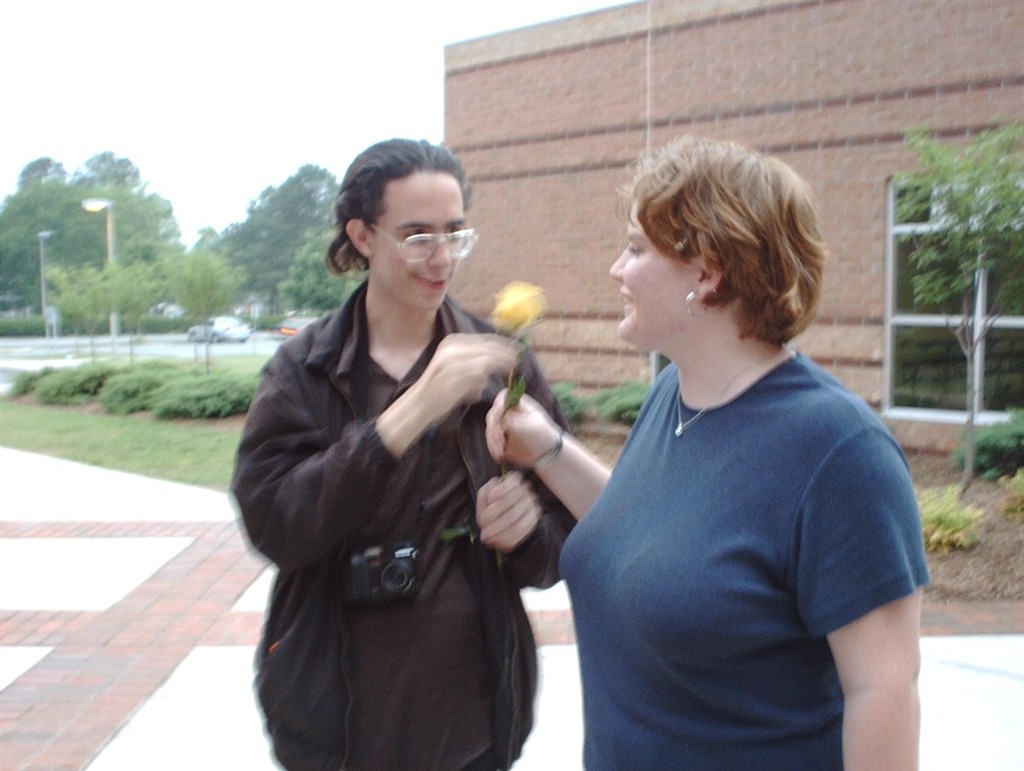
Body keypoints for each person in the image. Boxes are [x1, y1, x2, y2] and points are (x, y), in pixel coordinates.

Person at [486, 135, 930, 770]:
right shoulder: (674, 392)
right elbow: (658, 539)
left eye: (636, 249)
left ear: (707, 273)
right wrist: (549, 450)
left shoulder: (840, 451)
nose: (616, 269)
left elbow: (883, 690)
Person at [231, 138, 575, 771]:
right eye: (417, 236)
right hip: (334, 726)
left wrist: (528, 531)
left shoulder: (501, 363)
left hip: (476, 724)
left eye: (454, 234)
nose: (441, 259)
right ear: (362, 236)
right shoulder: (304, 370)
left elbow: (565, 540)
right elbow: (275, 524)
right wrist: (412, 410)